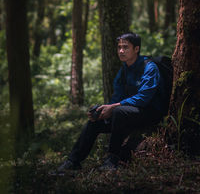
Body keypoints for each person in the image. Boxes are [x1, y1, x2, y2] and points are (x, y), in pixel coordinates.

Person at [56, 32, 165, 173]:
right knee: (95, 121)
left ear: (136, 49)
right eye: (119, 47)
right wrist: (102, 111)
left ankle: (112, 159)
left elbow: (143, 98)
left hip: (149, 113)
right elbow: (117, 97)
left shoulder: (149, 67)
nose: (121, 51)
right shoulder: (124, 70)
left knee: (118, 111)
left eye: (125, 47)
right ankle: (73, 161)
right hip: (129, 113)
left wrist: (113, 108)